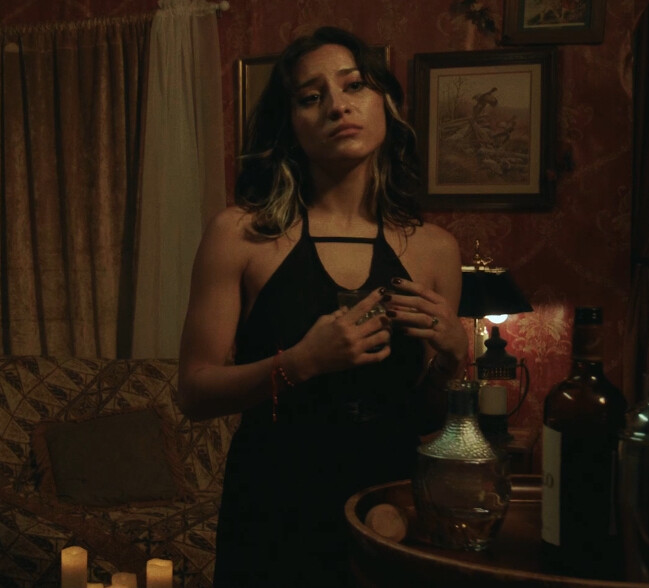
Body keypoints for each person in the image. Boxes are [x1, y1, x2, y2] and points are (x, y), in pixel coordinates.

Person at [177, 27, 469, 586]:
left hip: (388, 504)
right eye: (311, 97)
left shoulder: (435, 249)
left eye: (354, 85)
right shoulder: (240, 235)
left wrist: (453, 360)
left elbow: (428, 418)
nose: (337, 105)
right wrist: (301, 362)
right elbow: (193, 393)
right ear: (290, 123)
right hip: (274, 503)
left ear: (385, 104)